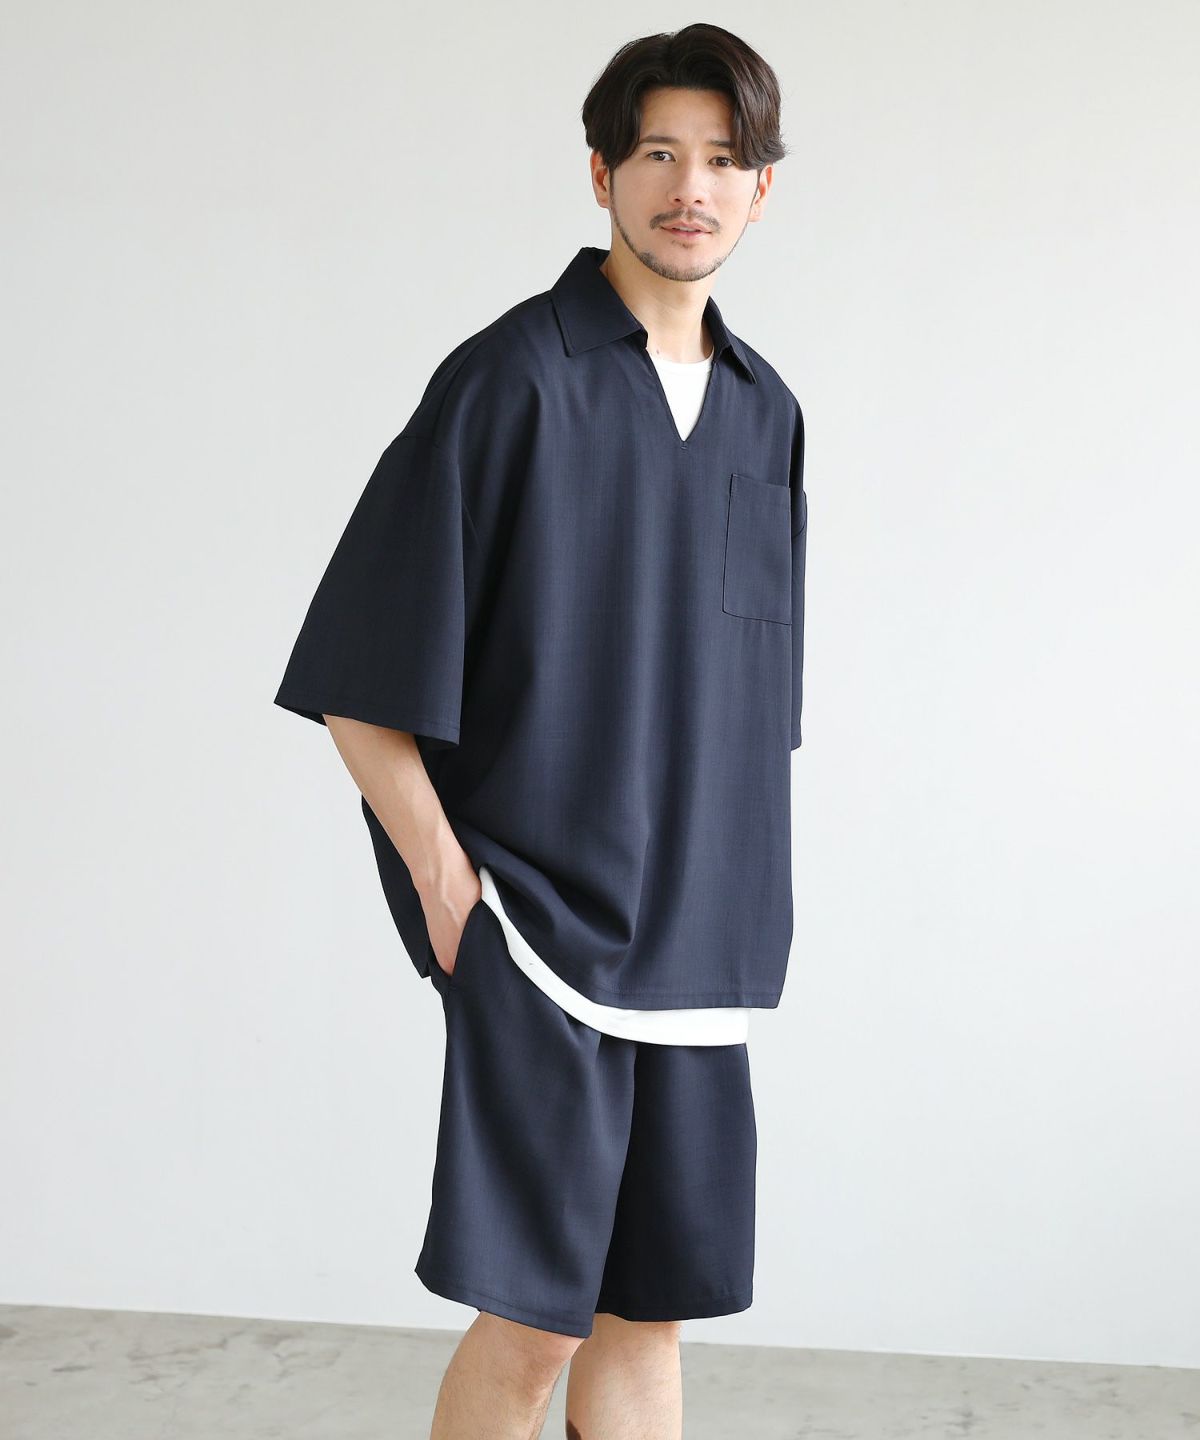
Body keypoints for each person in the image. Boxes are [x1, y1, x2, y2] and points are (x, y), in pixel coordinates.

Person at [273, 22, 807, 1439]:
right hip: (541, 933)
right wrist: (450, 887)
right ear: (600, 173)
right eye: (658, 154)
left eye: (722, 159)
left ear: (762, 188)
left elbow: (755, 713)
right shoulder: (510, 381)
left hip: (701, 953)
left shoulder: (768, 415)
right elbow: (359, 675)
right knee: (534, 1323)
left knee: (648, 1318)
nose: (690, 186)